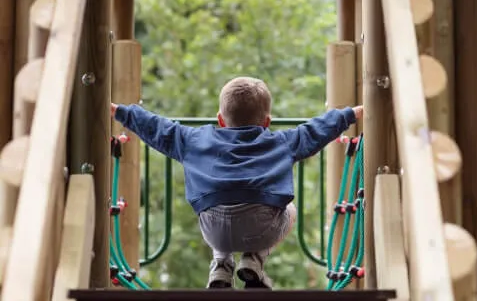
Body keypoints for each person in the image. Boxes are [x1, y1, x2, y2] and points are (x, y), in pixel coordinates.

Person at [111, 76, 363, 290]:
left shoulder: (194, 139)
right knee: (290, 210)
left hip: (214, 229)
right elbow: (314, 131)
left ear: (221, 120)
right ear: (267, 122)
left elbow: (157, 127)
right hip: (262, 226)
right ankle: (254, 259)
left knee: (216, 201)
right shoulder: (281, 142)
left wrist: (121, 112)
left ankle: (221, 266)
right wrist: (349, 115)